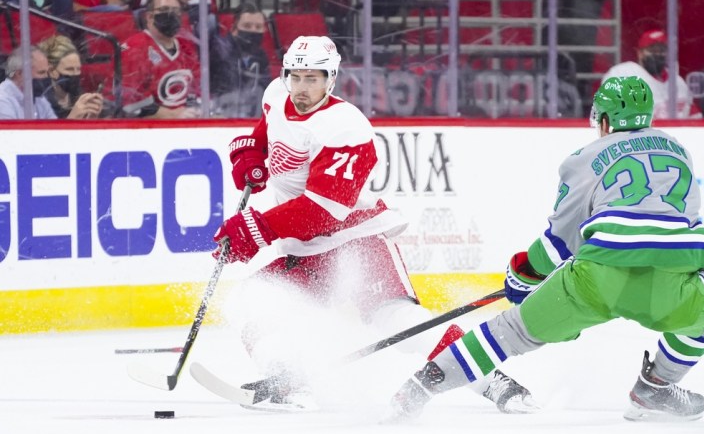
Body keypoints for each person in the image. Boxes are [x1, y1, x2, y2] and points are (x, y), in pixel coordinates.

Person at [210, 35, 536, 414]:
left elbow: (322, 211)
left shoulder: (346, 127)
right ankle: (286, 378)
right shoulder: (276, 95)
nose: (301, 88)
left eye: (312, 79)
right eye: (295, 77)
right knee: (247, 300)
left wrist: (256, 228)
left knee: (398, 322)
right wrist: (252, 153)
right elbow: (269, 128)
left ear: (330, 79)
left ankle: (493, 381)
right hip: (303, 250)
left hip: (356, 240)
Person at [388, 76, 704, 422]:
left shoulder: (585, 157)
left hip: (600, 277)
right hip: (669, 280)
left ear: (604, 120)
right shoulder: (680, 153)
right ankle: (657, 385)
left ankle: (418, 389)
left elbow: (559, 243)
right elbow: (689, 229)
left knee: (507, 333)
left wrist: (523, 275)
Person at [118, 0, 200, 118]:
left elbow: (197, 88)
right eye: (164, 9)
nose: (171, 15)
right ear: (149, 17)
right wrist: (172, 115)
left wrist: (195, 111)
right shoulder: (133, 48)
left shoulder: (187, 46)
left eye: (175, 10)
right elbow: (132, 104)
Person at [603, 29, 700, 119]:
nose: (657, 54)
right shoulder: (623, 74)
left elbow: (693, 115)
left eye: (661, 50)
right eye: (652, 50)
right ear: (639, 53)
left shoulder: (677, 81)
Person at [209, 2, 272, 118]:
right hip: (221, 120)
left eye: (258, 27)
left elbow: (266, 92)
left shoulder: (261, 56)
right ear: (234, 29)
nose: (253, 31)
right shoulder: (219, 52)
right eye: (247, 26)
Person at [38, 35, 105, 119]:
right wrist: (73, 117)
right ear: (52, 71)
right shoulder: (41, 101)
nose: (76, 74)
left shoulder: (79, 95)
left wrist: (92, 116)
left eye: (78, 69)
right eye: (69, 69)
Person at [0, 46, 58, 119]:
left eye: (47, 72)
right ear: (19, 74)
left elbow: (55, 127)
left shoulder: (38, 97)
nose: (46, 77)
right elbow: (11, 130)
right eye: (41, 72)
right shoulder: (2, 100)